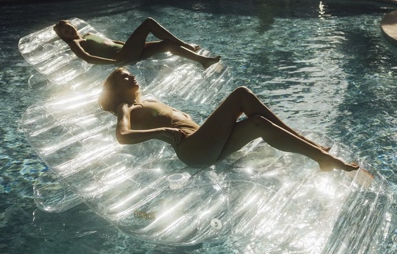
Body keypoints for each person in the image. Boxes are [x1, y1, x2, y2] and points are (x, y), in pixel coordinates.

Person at [99, 67, 366, 174]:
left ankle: (317, 153)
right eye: (123, 77)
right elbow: (122, 136)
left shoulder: (148, 100)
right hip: (192, 150)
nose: (131, 76)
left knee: (259, 123)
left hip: (204, 145)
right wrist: (162, 131)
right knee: (241, 94)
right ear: (117, 89)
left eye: (130, 73)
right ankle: (320, 154)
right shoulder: (126, 106)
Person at [53, 18, 221, 69]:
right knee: (148, 23)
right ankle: (186, 45)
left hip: (127, 50)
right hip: (122, 56)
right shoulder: (75, 43)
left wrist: (139, 43)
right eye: (66, 32)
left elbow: (113, 42)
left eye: (68, 27)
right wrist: (115, 63)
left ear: (72, 25)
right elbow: (88, 58)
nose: (70, 31)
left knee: (166, 44)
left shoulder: (88, 34)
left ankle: (203, 61)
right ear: (65, 37)